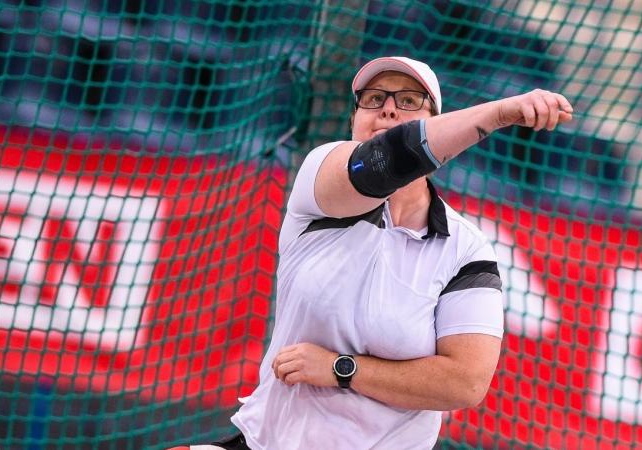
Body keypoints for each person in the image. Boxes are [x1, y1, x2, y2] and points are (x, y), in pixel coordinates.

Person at [174, 56, 573, 450]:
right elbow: (386, 160)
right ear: (354, 119)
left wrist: (340, 369)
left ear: (436, 120)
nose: (388, 107)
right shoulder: (320, 182)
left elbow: (464, 382)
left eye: (410, 101)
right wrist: (500, 112)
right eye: (374, 97)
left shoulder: (466, 248)